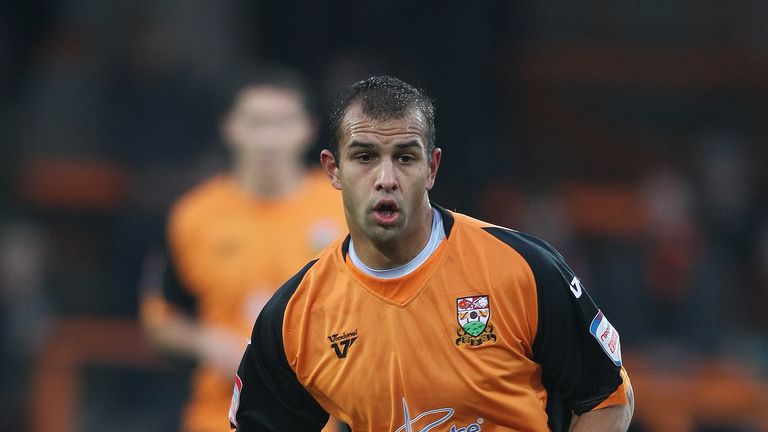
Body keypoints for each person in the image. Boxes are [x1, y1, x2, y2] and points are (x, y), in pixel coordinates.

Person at [229, 76, 634, 432]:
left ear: (432, 167)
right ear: (333, 170)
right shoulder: (295, 314)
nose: (386, 179)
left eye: (405, 157)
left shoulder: (524, 269)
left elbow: (609, 400)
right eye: (365, 157)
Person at [140, 65, 346, 432]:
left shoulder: (344, 210)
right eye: (254, 122)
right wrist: (207, 343)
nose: (268, 139)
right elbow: (161, 319)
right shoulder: (194, 216)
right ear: (229, 127)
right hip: (215, 418)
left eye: (281, 123)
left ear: (307, 129)